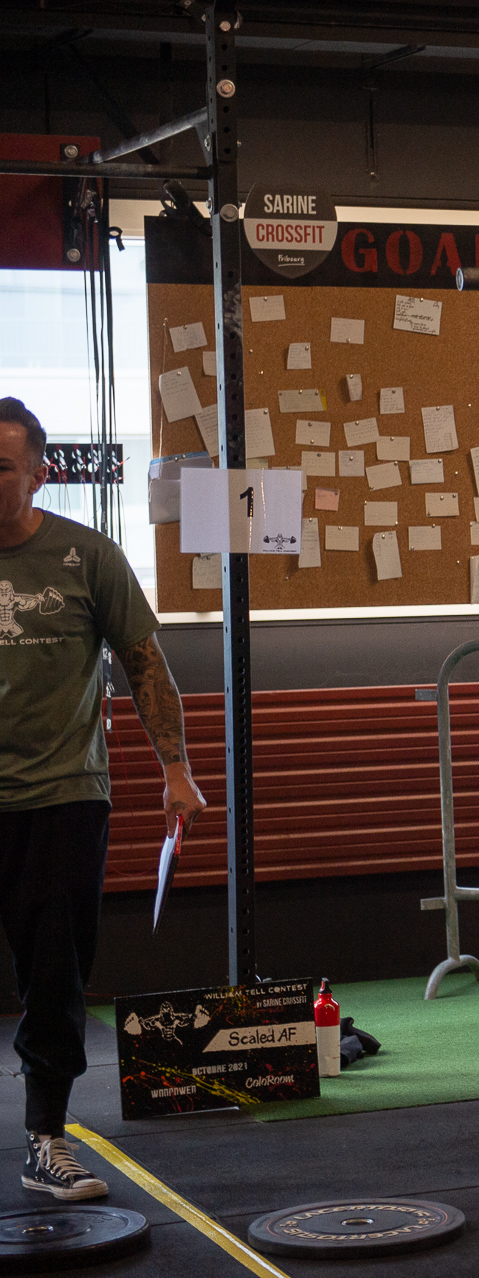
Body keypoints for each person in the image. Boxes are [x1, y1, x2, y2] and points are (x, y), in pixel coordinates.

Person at [0, 397, 206, 1199]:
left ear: (39, 473)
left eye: (2, 467)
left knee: (55, 976)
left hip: (61, 797)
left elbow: (146, 664)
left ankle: (45, 1139)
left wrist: (175, 769)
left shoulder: (86, 558)